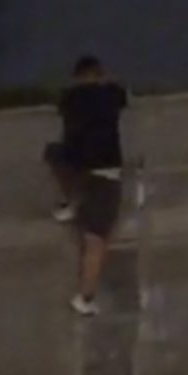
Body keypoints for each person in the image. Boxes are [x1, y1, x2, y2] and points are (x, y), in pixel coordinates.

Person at [43, 55, 128, 316]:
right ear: (98, 74)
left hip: (76, 168)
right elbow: (121, 95)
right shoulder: (112, 93)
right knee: (95, 241)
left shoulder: (68, 98)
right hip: (106, 173)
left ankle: (69, 202)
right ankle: (84, 297)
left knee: (53, 152)